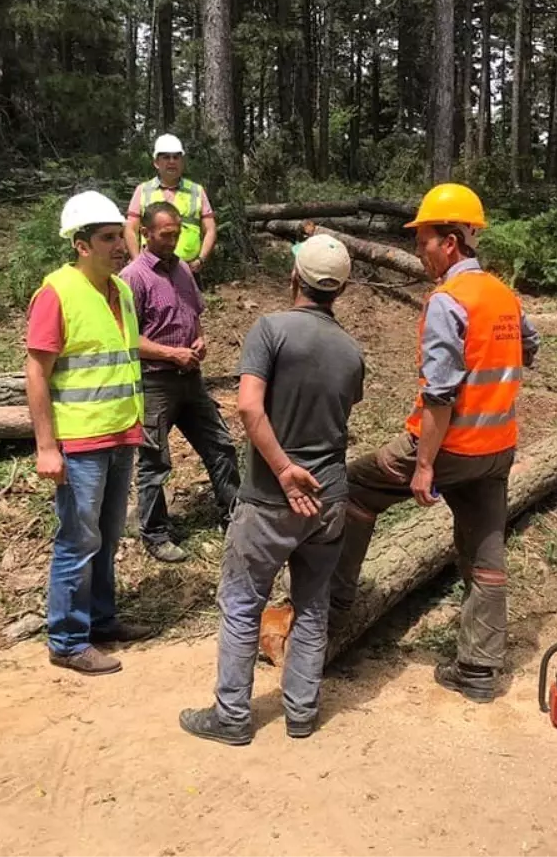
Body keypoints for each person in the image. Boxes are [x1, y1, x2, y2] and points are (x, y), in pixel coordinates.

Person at [327, 183, 540, 704]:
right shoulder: (499, 293)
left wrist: (424, 465)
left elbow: (439, 394)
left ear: (450, 242)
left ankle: (333, 612)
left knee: (355, 486)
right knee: (486, 555)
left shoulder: (449, 302)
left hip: (451, 448)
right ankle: (479, 669)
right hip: (497, 451)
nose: (419, 251)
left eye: (423, 240)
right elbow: (529, 346)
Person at [179, 235, 365, 746]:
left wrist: (283, 468)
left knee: (242, 602)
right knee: (312, 605)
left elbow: (248, 407)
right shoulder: (350, 351)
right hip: (328, 499)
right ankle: (302, 713)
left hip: (269, 498)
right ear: (342, 289)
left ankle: (233, 717)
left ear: (294, 279)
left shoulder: (270, 331)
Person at [25, 191, 154, 676]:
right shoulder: (56, 293)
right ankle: (67, 638)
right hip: (79, 444)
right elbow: (37, 372)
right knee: (77, 541)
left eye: (121, 235)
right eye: (107, 238)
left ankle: (101, 619)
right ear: (81, 245)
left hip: (121, 434)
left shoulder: (120, 291)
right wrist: (46, 446)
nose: (121, 245)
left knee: (107, 534)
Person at [121, 201, 241, 564]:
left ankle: (234, 516)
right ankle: (155, 533)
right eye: (165, 234)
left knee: (220, 445)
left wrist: (199, 339)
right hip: (154, 383)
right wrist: (171, 354)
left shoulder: (184, 271)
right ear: (146, 234)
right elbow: (128, 340)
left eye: (177, 233)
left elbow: (194, 314)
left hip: (191, 379)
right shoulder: (133, 278)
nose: (172, 240)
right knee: (155, 461)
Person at [124, 134, 217, 275]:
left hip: (188, 269)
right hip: (151, 269)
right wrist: (138, 262)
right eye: (166, 157)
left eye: (176, 157)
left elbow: (210, 229)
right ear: (156, 162)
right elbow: (130, 228)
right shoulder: (143, 190)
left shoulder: (196, 191)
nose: (172, 162)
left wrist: (201, 260)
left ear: (182, 161)